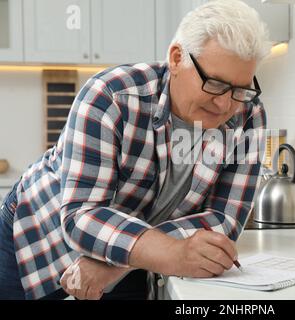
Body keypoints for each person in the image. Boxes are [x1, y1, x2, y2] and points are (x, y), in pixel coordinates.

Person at [0, 0, 271, 300]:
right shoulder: (111, 96)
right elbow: (82, 216)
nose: (225, 105)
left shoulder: (249, 116)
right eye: (216, 84)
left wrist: (123, 265)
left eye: (240, 90)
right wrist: (171, 252)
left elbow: (224, 219)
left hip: (131, 254)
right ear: (177, 58)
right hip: (40, 232)